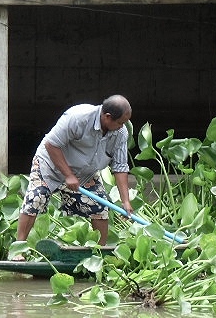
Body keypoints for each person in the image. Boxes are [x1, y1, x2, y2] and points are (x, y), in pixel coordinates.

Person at [16, 94, 133, 247]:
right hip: (50, 165)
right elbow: (51, 144)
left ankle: (100, 251)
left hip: (84, 173)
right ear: (107, 117)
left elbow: (120, 167)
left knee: (100, 209)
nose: (122, 126)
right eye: (120, 122)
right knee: (36, 199)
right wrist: (68, 175)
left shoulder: (121, 133)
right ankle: (18, 249)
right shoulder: (78, 117)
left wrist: (125, 201)